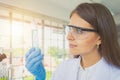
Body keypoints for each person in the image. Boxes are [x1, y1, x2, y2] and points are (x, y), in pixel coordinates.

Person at [25, 3, 120, 80]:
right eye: (70, 29)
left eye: (79, 31)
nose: (68, 37)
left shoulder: (116, 75)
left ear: (100, 38)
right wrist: (40, 78)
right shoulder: (64, 68)